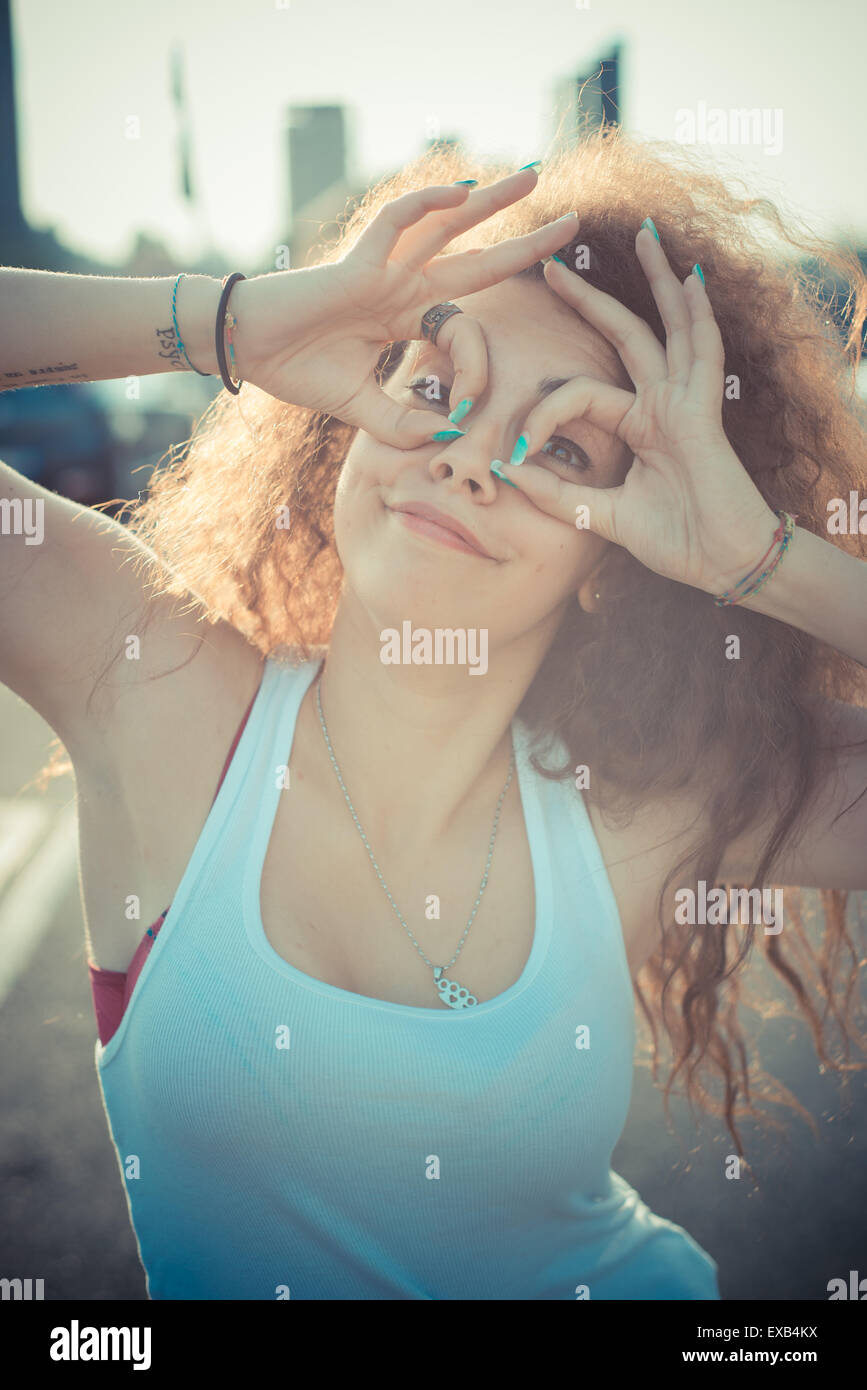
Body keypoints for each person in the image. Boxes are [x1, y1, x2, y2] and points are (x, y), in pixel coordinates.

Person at [1, 132, 865, 1301]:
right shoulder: (150, 690)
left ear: (615, 552)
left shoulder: (654, 809)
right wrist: (237, 325)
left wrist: (753, 556)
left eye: (561, 444)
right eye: (433, 388)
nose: (471, 461)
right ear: (339, 427)